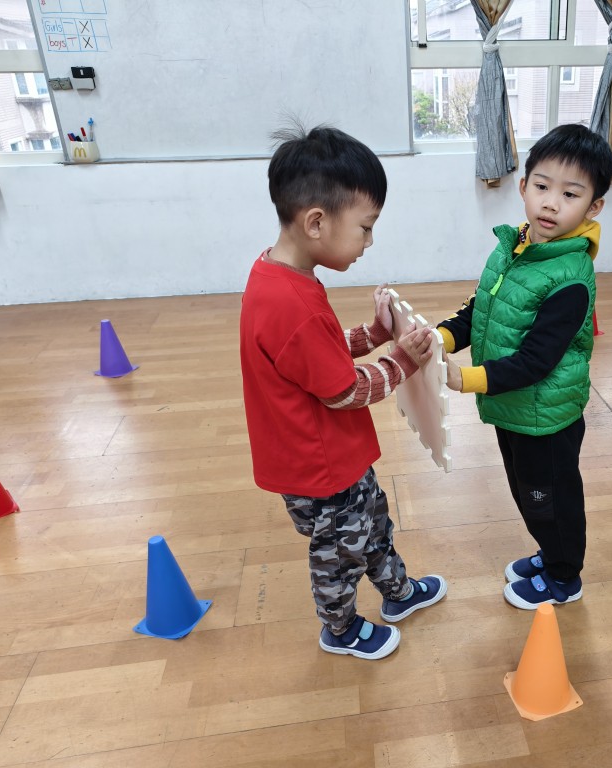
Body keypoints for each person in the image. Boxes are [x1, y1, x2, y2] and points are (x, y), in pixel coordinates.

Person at [240, 124, 448, 660]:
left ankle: (398, 591)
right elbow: (344, 391)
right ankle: (340, 628)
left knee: (371, 524)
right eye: (365, 227)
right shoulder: (291, 304)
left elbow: (320, 354)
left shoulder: (280, 276)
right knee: (338, 551)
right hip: (321, 469)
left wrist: (375, 334)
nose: (369, 242)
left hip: (334, 458)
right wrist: (403, 361)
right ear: (316, 222)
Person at [437, 123, 612, 610]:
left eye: (570, 194)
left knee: (549, 498)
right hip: (515, 407)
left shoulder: (570, 278)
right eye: (542, 186)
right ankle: (550, 552)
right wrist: (440, 338)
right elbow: (482, 309)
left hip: (545, 416)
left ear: (594, 206)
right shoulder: (514, 247)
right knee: (528, 492)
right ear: (523, 187)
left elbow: (537, 360)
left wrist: (466, 379)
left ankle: (564, 576)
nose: (551, 204)